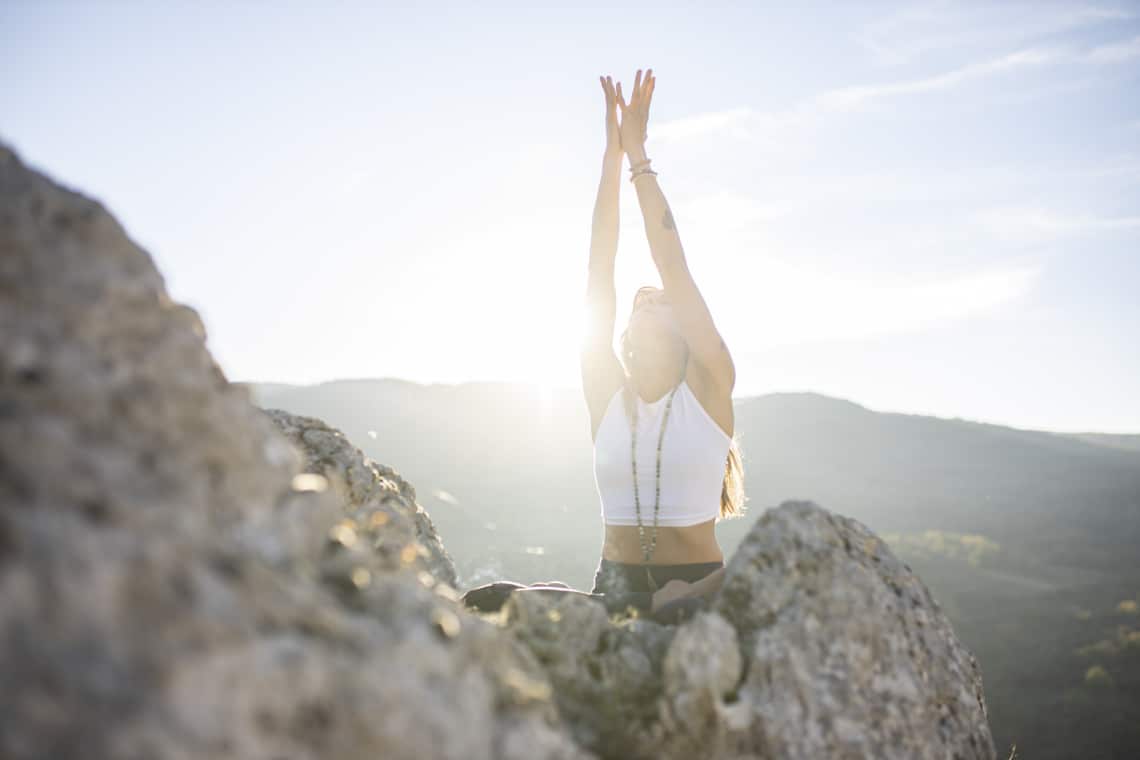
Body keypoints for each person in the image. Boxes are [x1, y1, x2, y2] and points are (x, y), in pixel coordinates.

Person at [462, 68, 747, 624]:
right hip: (613, 590)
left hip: (693, 594)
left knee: (670, 617)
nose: (646, 301)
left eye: (660, 302)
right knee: (485, 604)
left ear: (687, 329)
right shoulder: (608, 396)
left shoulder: (709, 385)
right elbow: (600, 267)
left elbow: (673, 263)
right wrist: (609, 160)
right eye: (641, 302)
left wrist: (639, 157)